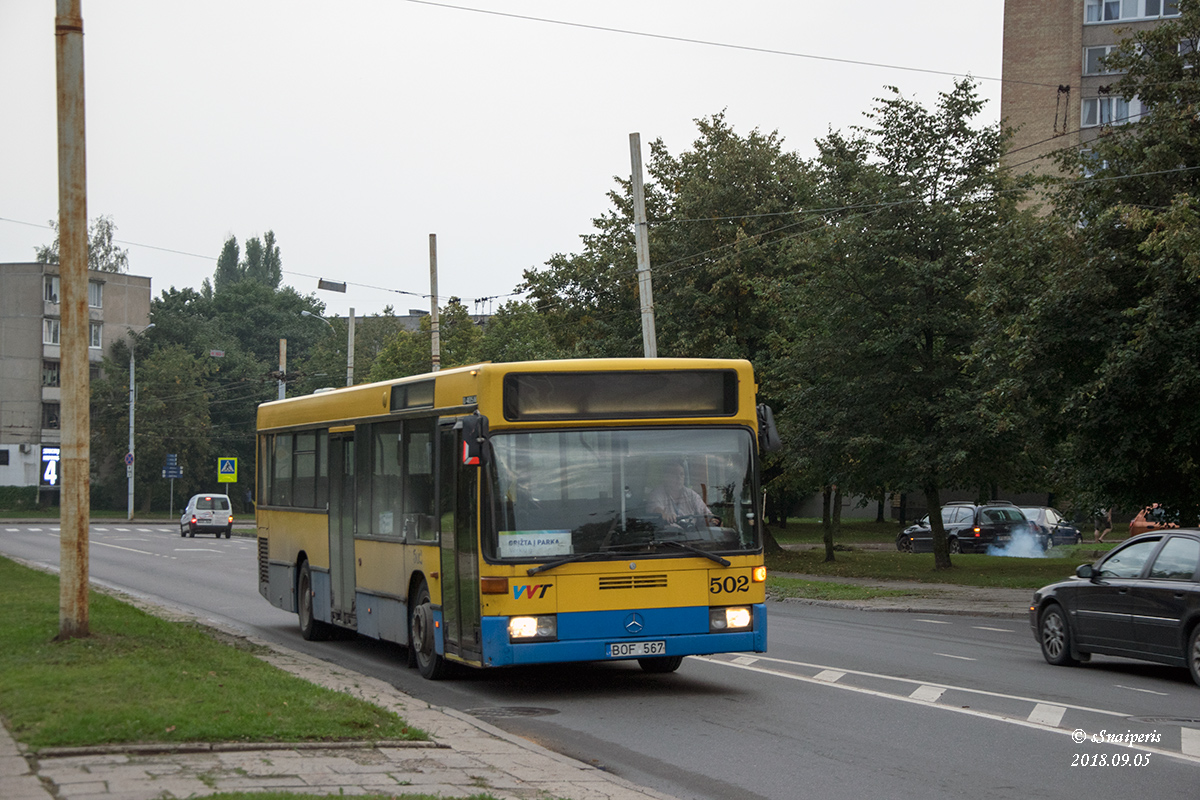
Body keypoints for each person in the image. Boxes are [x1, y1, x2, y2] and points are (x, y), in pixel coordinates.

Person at [646, 460, 717, 527]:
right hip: (667, 537)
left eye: (681, 474)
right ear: (666, 477)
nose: (679, 477)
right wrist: (664, 515)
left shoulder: (691, 495)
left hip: (692, 537)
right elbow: (657, 510)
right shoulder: (657, 494)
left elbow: (705, 513)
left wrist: (711, 519)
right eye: (674, 474)